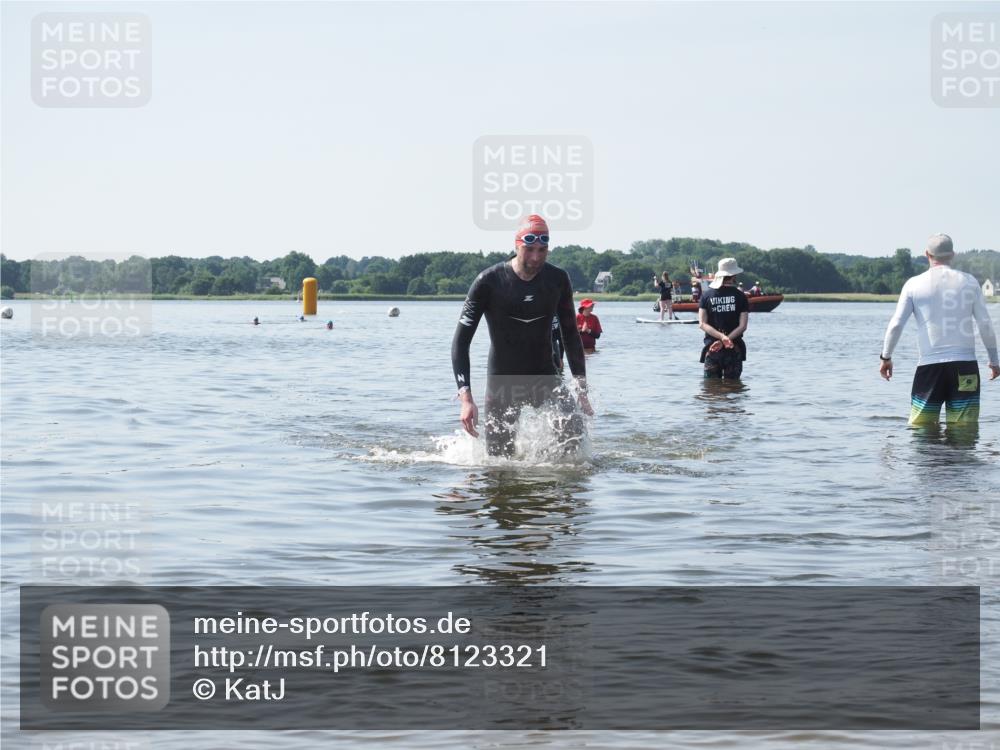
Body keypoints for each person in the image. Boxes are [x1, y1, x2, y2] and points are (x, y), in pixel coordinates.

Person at [451, 215, 592, 456]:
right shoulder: (489, 281)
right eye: (529, 249)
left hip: (546, 377)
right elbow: (460, 343)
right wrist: (466, 398)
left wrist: (581, 388)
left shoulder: (557, 280)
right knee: (498, 461)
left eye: (542, 250)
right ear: (516, 245)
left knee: (575, 439)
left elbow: (570, 334)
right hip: (503, 383)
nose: (536, 257)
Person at [879, 233, 998, 426]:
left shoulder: (913, 284)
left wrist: (886, 357)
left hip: (929, 367)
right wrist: (994, 360)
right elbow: (985, 324)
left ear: (927, 254)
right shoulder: (969, 282)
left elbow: (896, 325)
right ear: (952, 254)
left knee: (921, 429)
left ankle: (930, 456)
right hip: (965, 366)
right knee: (964, 431)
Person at [698, 258, 749, 379]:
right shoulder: (741, 296)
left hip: (712, 349)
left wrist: (721, 338)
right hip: (734, 348)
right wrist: (725, 340)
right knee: (733, 390)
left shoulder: (706, 295)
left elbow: (702, 324)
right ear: (734, 275)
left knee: (711, 391)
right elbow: (743, 326)